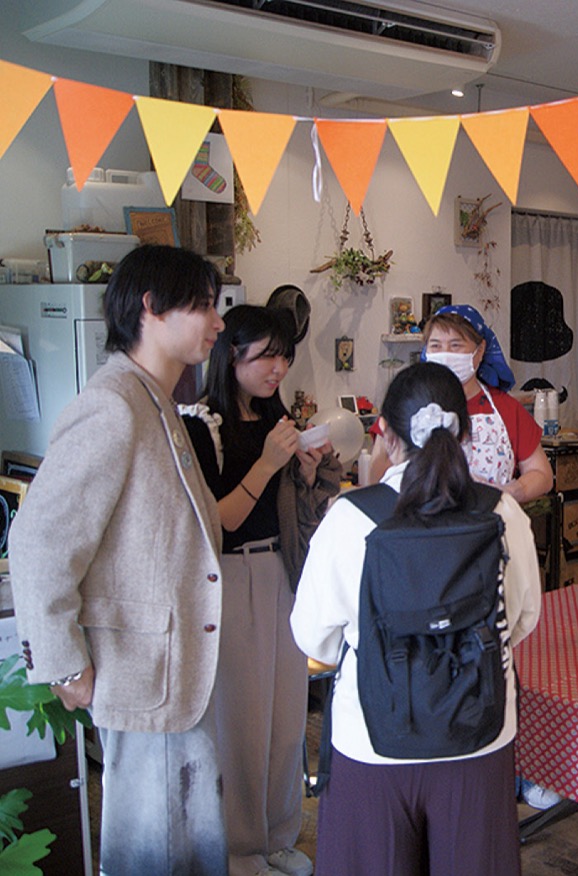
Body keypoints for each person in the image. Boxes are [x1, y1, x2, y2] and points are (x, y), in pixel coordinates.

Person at [9, 245, 229, 874]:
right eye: (204, 306)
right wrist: (63, 662)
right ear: (152, 308)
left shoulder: (154, 399)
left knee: (188, 846)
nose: (217, 323)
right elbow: (38, 541)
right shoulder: (114, 403)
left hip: (171, 672)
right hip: (141, 674)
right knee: (151, 852)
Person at [290, 362, 541, 875]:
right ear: (465, 432)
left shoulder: (350, 517)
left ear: (384, 431)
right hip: (480, 735)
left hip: (371, 739)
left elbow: (314, 638)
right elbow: (522, 618)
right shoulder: (502, 512)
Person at [180, 305, 341, 876]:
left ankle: (278, 837)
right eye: (267, 355)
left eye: (285, 357)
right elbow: (217, 522)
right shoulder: (201, 424)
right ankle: (240, 850)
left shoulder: (278, 420)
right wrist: (270, 463)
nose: (279, 368)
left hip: (282, 571)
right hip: (231, 577)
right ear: (232, 355)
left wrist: (304, 473)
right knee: (242, 724)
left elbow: (293, 510)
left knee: (287, 717)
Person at [368, 304, 552, 501]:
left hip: (488, 517)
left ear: (480, 350)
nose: (445, 353)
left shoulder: (506, 408)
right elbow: (376, 478)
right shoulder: (405, 404)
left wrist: (512, 491)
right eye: (436, 346)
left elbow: (541, 474)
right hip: (415, 518)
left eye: (455, 345)